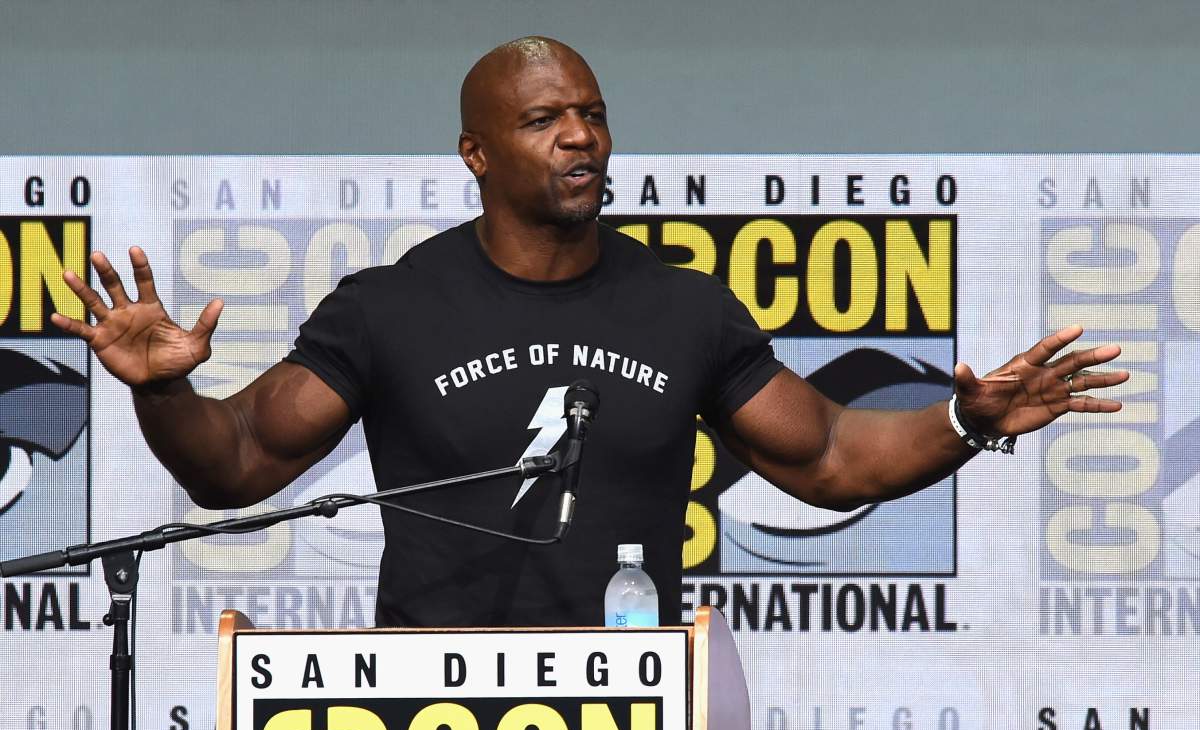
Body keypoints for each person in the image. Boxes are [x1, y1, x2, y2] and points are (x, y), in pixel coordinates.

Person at [50, 37, 1128, 628]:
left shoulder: (682, 306)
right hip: (431, 716)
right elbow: (234, 466)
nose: (581, 137)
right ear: (475, 153)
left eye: (594, 114)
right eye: (543, 120)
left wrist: (962, 417)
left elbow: (835, 457)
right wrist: (161, 391)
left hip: (630, 710)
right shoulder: (390, 305)